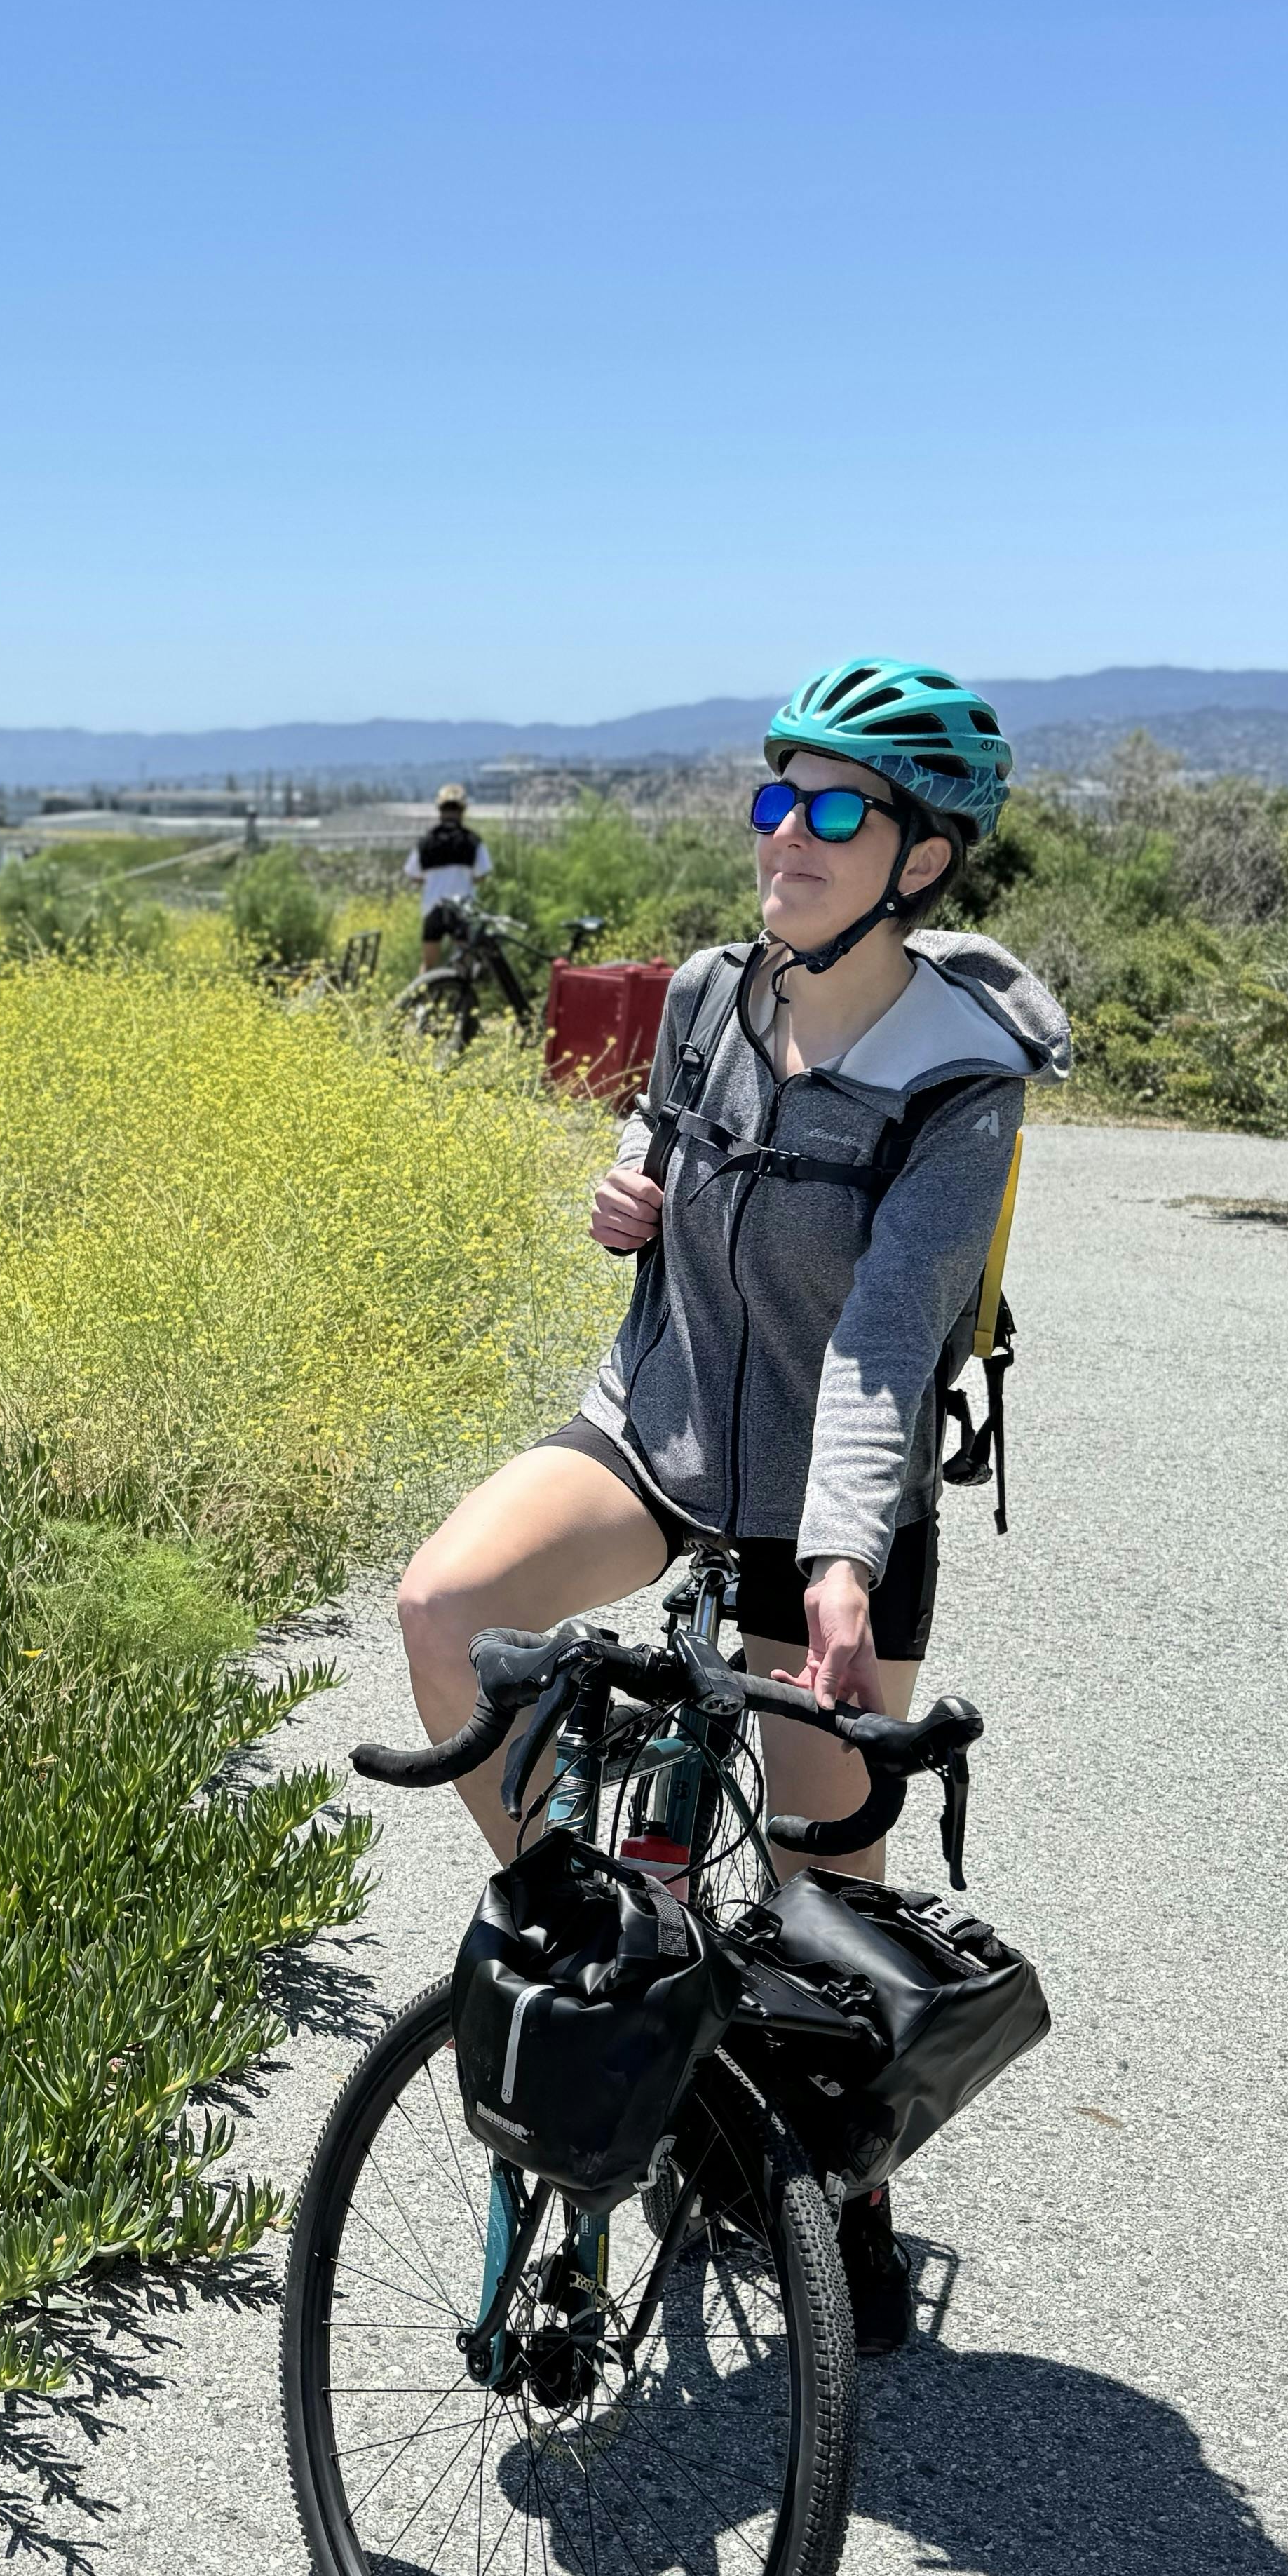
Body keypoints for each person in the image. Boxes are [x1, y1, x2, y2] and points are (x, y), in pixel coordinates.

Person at [388, 658, 1068, 2354]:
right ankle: (621, 1966)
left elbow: (883, 1344)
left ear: (924, 857)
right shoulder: (708, 994)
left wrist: (840, 1563)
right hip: (665, 1427)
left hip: (828, 1506)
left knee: (835, 1868)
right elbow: (663, 1129)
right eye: (779, 798)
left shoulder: (957, 1081)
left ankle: (847, 2193)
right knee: (444, 1616)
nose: (791, 835)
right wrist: (632, 1186)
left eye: (840, 811)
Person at [404, 784, 486, 966]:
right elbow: (481, 875)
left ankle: (425, 993)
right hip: (462, 909)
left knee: (428, 965)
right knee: (465, 965)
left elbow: (413, 874)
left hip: (432, 908)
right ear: (462, 810)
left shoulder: (426, 841)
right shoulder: (473, 841)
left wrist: (432, 880)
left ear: (440, 810)